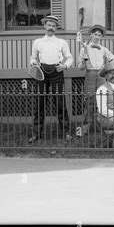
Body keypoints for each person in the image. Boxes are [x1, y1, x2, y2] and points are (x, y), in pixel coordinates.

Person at [29, 15, 73, 143]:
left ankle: (66, 133)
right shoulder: (37, 42)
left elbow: (69, 58)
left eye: (53, 26)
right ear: (44, 26)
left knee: (60, 103)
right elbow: (33, 57)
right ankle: (37, 134)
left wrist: (64, 66)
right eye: (49, 25)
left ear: (56, 28)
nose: (51, 28)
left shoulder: (61, 42)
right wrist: (34, 63)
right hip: (41, 73)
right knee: (39, 104)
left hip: (56, 73)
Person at [76, 24, 114, 137]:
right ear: (91, 35)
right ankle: (85, 128)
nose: (97, 36)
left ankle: (104, 126)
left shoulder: (103, 50)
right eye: (95, 34)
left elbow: (113, 58)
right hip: (90, 74)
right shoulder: (84, 48)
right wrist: (84, 61)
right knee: (89, 101)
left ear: (101, 36)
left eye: (99, 34)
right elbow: (80, 68)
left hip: (101, 75)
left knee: (104, 100)